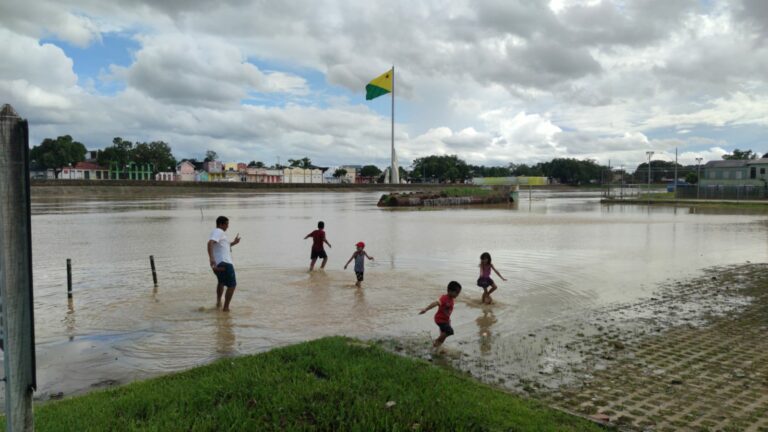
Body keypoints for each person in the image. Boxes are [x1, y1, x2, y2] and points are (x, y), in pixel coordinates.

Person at [207, 216, 241, 311]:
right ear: (221, 224)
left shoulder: (219, 234)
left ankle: (218, 303)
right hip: (225, 263)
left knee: (221, 282)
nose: (228, 226)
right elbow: (210, 243)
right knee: (232, 285)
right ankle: (226, 308)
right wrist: (211, 258)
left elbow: (223, 246)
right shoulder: (219, 231)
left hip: (218, 264)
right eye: (227, 224)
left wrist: (234, 242)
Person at [419, 281, 462, 348]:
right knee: (450, 331)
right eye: (456, 293)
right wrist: (426, 309)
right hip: (440, 319)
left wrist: (448, 320)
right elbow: (435, 303)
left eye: (458, 293)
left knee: (443, 334)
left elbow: (448, 311)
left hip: (445, 320)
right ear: (449, 291)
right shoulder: (444, 298)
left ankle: (437, 347)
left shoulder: (451, 299)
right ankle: (436, 342)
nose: (457, 295)